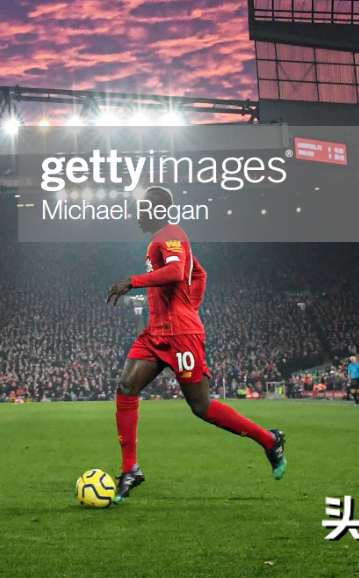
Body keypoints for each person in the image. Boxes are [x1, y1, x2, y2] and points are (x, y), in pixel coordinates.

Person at [105, 187, 286, 503]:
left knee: (201, 406)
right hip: (156, 334)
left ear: (158, 209)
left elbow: (177, 272)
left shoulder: (172, 233)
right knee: (126, 387)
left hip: (181, 337)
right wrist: (191, 306)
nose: (137, 214)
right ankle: (130, 468)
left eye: (142, 208)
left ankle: (270, 441)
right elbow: (199, 273)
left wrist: (132, 282)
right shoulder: (158, 240)